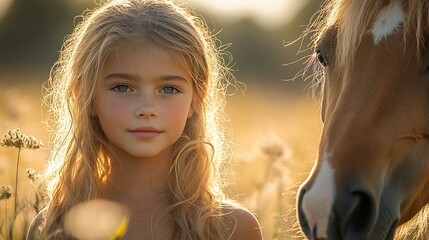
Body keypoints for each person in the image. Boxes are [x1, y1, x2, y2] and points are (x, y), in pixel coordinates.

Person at [27, 0, 263, 239]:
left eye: (169, 89)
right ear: (87, 98)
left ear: (196, 100)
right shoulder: (52, 226)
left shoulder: (233, 228)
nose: (147, 109)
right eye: (122, 87)